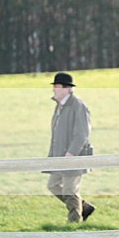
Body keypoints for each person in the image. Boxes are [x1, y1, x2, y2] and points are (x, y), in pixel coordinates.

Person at [47, 72, 95, 223]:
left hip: (74, 156)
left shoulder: (78, 106)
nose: (54, 89)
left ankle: (74, 223)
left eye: (57, 86)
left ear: (67, 88)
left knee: (69, 190)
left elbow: (82, 133)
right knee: (53, 185)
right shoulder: (59, 106)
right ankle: (84, 207)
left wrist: (72, 153)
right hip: (59, 157)